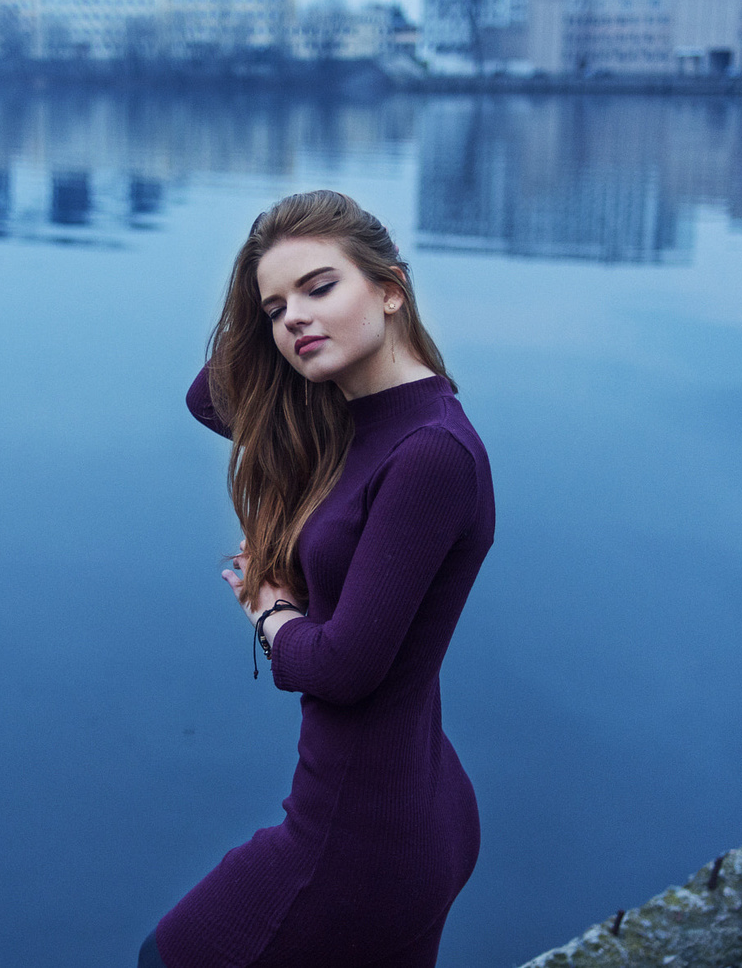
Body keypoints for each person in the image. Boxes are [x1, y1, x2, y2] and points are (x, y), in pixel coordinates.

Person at [140, 191, 496, 968]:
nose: (294, 317)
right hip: (407, 804)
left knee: (165, 959)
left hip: (359, 838)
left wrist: (271, 615)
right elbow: (209, 396)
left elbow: (341, 669)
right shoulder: (342, 425)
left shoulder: (429, 453)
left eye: (321, 287)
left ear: (391, 289)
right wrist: (263, 289)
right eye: (276, 308)